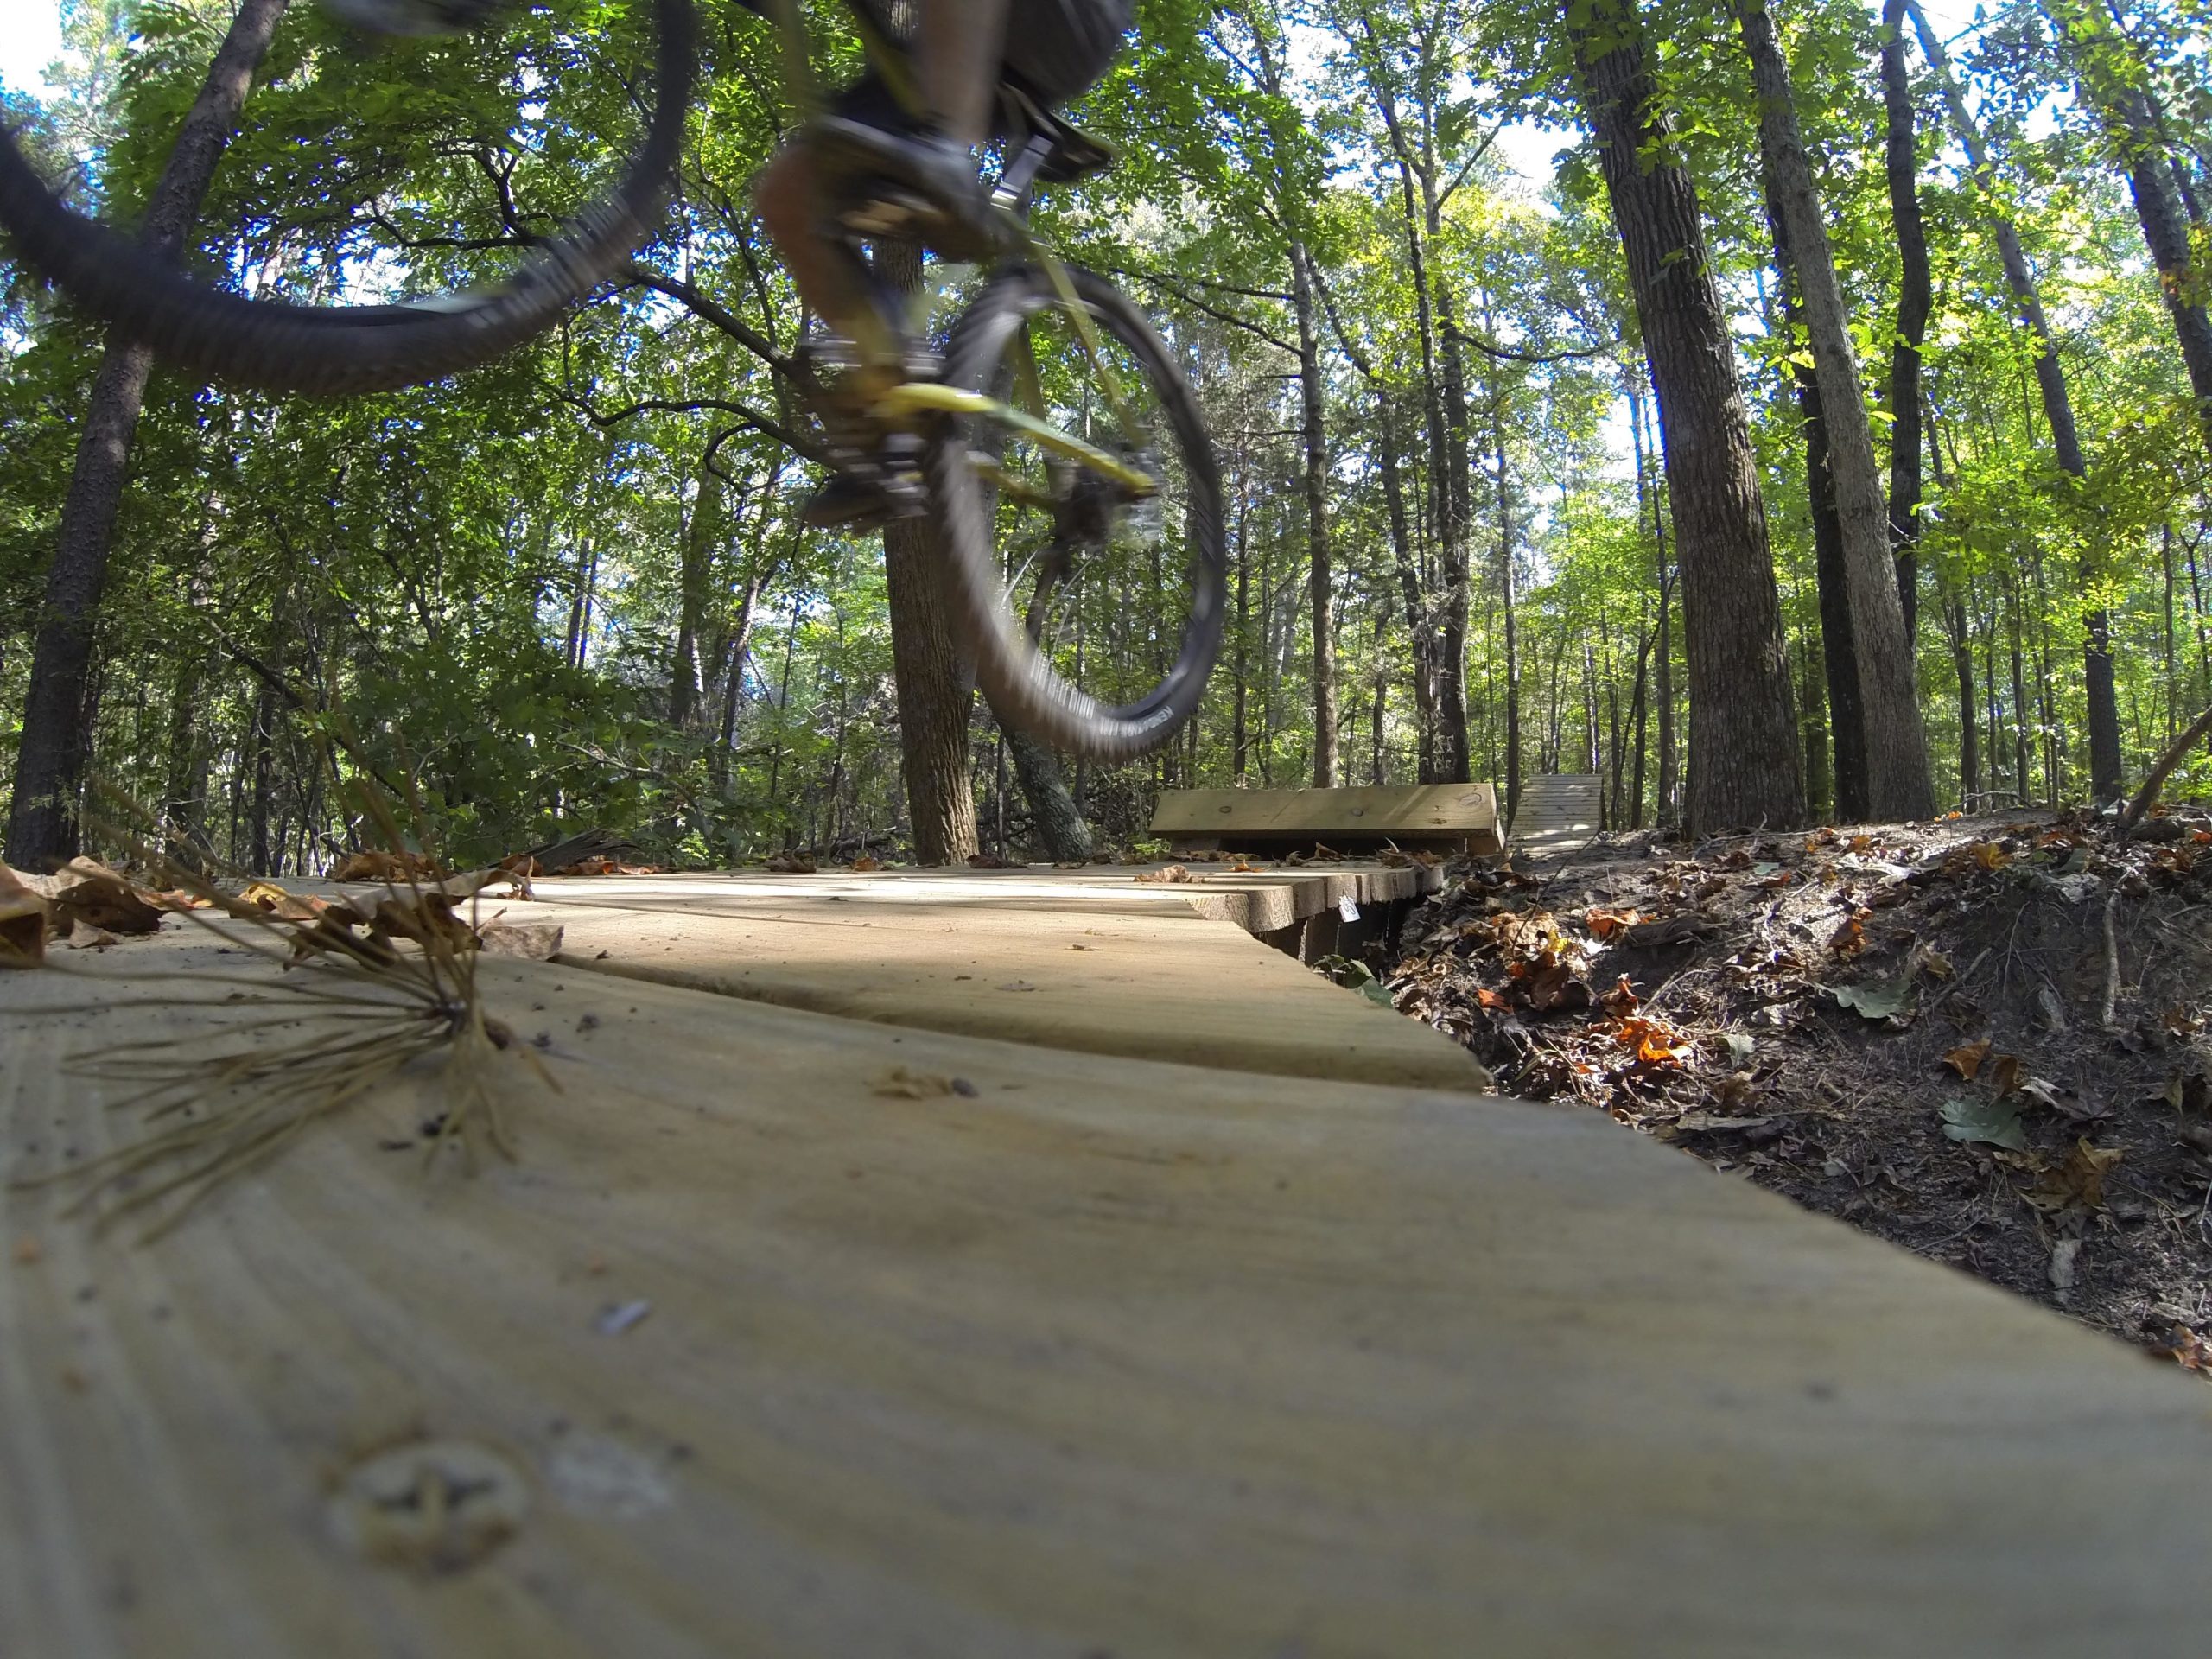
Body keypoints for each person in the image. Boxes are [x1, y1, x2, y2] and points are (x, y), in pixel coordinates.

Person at [752, 0, 1133, 526]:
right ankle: (893, 383)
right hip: (952, 47)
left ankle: (945, 151)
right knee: (789, 195)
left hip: (1067, 20)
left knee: (912, 152)